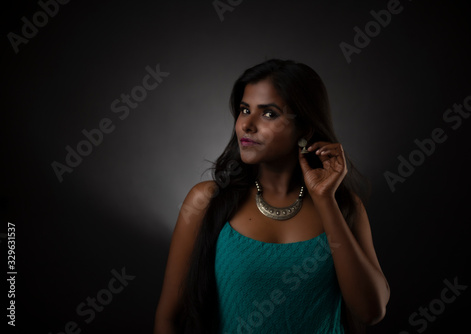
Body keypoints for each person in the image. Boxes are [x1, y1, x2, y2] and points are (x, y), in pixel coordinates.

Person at [154, 59, 390, 334]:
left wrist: (325, 199)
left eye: (269, 114)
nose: (247, 125)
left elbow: (371, 311)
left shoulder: (345, 207)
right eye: (245, 110)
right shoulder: (206, 202)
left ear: (304, 129)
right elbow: (168, 318)